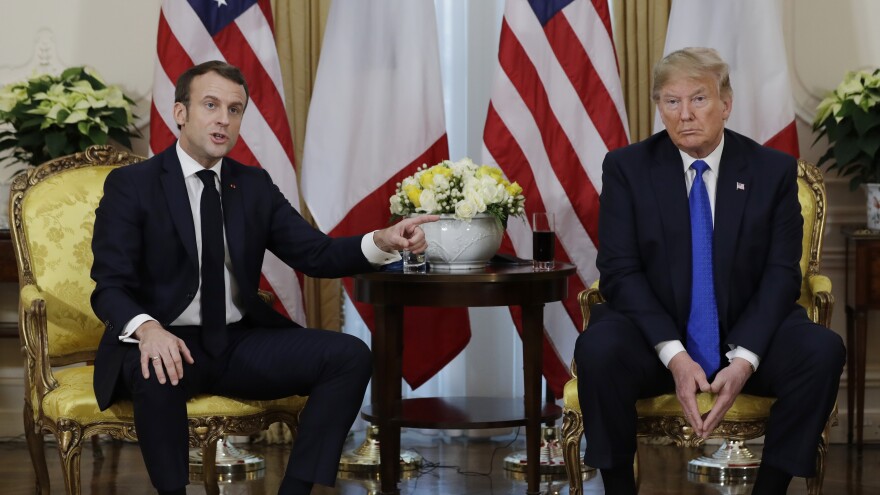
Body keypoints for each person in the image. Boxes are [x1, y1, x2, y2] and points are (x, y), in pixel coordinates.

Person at [90, 60, 436, 495]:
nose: (223, 119)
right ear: (180, 113)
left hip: (235, 342)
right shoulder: (133, 185)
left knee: (348, 356)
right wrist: (148, 329)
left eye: (235, 110)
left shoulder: (252, 186)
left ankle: (295, 490)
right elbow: (109, 285)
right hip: (165, 340)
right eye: (211, 105)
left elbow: (316, 253)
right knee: (158, 368)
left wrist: (382, 241)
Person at [573, 47, 845, 494]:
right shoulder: (627, 168)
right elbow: (619, 270)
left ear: (726, 104)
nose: (684, 115)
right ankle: (619, 487)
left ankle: (771, 487)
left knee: (821, 351)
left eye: (698, 99)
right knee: (599, 348)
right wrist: (675, 355)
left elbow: (782, 274)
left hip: (747, 334)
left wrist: (744, 361)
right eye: (671, 101)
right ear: (659, 106)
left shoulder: (771, 170)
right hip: (656, 341)